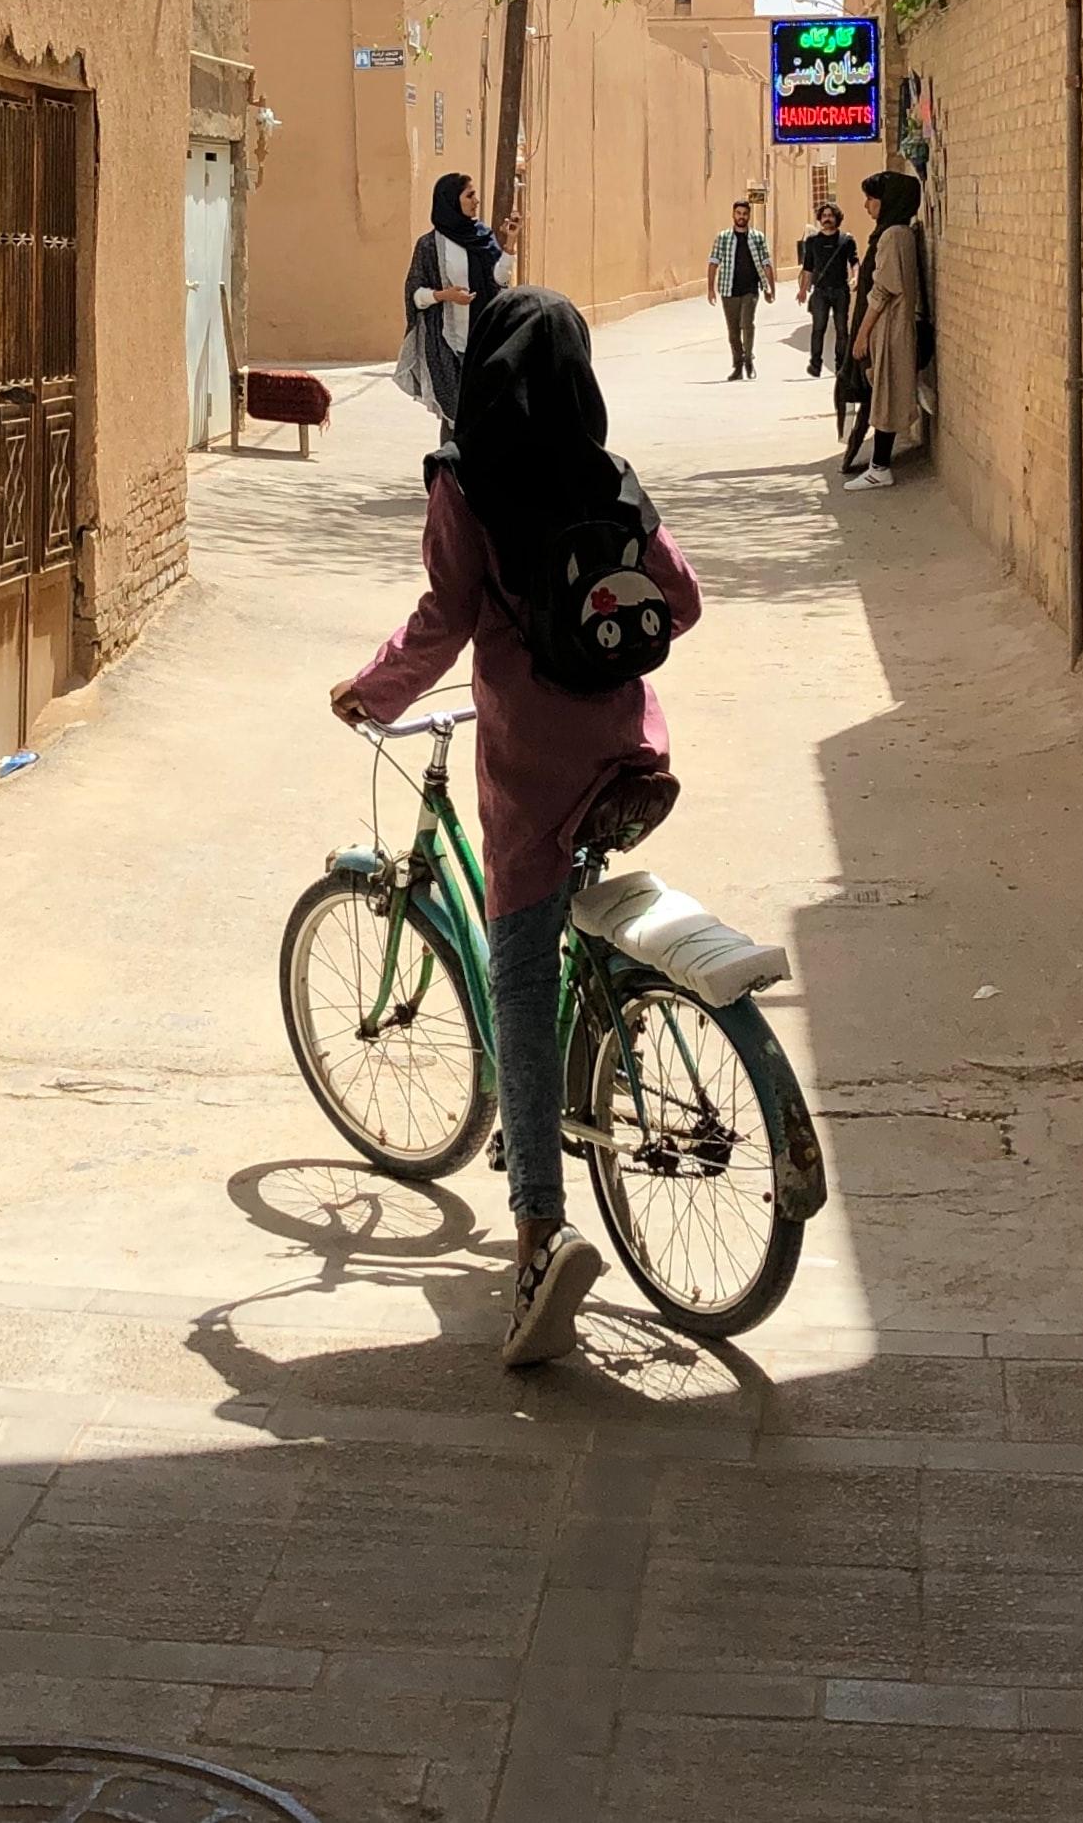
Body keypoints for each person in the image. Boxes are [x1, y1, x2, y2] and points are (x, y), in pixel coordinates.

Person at [332, 287, 703, 1367]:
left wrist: (372, 691)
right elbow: (679, 603)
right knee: (571, 929)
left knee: (521, 979)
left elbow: (442, 620)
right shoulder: (608, 475)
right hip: (630, 750)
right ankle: (621, 1028)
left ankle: (540, 1227)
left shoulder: (465, 480)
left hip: (530, 768)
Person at [399, 171, 510, 420]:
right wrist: (444, 295)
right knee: (454, 416)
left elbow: (500, 281)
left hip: (483, 340)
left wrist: (510, 245)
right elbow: (415, 295)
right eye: (469, 195)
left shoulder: (484, 237)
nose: (476, 201)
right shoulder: (429, 245)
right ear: (451, 200)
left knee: (483, 414)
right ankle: (449, 460)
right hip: (446, 344)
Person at [845, 169, 927, 489]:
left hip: (889, 328)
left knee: (886, 395)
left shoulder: (893, 236)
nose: (867, 205)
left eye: (871, 199)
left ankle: (880, 467)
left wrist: (863, 334)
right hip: (891, 326)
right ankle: (879, 466)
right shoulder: (899, 233)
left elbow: (882, 290)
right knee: (884, 392)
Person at [706, 196, 774, 380]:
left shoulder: (758, 238)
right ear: (733, 215)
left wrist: (770, 288)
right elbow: (713, 262)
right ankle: (738, 365)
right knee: (733, 330)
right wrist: (710, 289)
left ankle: (748, 358)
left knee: (747, 323)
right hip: (728, 290)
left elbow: (766, 263)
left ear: (749, 215)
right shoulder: (723, 238)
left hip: (750, 289)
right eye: (738, 213)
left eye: (744, 213)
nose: (741, 216)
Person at [795, 199, 856, 380]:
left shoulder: (846, 240)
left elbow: (854, 262)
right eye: (824, 216)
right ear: (820, 219)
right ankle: (815, 364)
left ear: (837, 218)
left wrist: (856, 277)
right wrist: (803, 290)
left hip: (840, 291)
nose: (827, 219)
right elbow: (808, 268)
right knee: (818, 329)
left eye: (830, 216)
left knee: (841, 330)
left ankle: (841, 365)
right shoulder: (813, 242)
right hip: (820, 291)